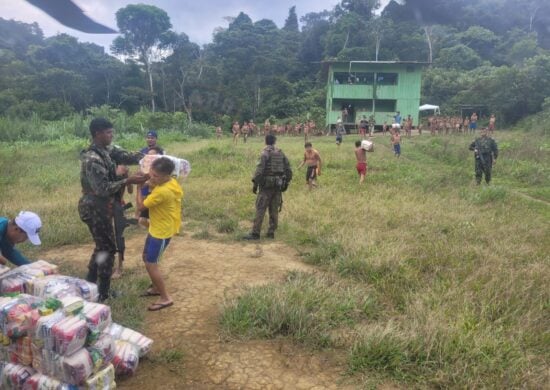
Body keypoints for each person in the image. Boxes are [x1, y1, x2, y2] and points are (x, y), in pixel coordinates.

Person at [79, 118, 147, 302]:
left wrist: (150, 158)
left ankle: (90, 285)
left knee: (102, 247)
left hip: (102, 205)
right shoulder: (92, 159)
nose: (111, 135)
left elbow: (127, 156)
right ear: (97, 134)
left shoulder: (108, 149)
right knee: (107, 248)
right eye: (108, 132)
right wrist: (128, 181)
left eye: (111, 131)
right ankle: (102, 293)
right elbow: (102, 189)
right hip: (94, 207)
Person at [137, 157, 183, 311]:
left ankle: (165, 297)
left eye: (156, 176)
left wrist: (140, 188)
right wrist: (151, 184)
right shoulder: (170, 182)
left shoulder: (163, 191)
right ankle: (156, 288)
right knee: (146, 258)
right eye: (151, 173)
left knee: (151, 264)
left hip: (161, 233)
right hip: (156, 228)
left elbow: (141, 205)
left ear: (166, 176)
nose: (152, 177)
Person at [244, 134, 292, 240]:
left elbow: (259, 171)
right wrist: (286, 183)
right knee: (274, 209)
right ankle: (271, 232)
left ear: (265, 141)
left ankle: (255, 233)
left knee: (260, 208)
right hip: (278, 185)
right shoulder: (281, 153)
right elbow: (288, 170)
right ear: (274, 141)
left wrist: (255, 184)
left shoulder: (265, 153)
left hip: (266, 186)